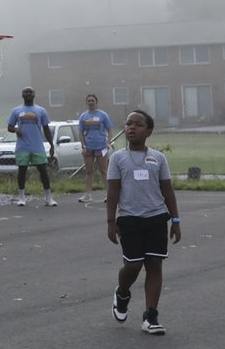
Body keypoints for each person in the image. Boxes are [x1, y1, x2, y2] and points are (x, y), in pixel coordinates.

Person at [106, 109, 181, 335]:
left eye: (138, 125)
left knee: (154, 265)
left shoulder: (158, 158)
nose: (131, 128)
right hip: (129, 220)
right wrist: (111, 221)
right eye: (128, 124)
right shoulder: (118, 158)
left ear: (148, 131)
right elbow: (113, 191)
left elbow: (167, 190)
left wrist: (175, 219)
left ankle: (151, 315)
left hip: (157, 218)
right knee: (133, 265)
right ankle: (122, 292)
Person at [7, 86, 57, 207]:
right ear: (22, 95)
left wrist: (51, 145)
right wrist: (16, 130)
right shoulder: (16, 110)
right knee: (22, 171)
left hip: (37, 146)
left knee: (43, 171)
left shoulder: (40, 110)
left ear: (34, 95)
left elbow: (46, 128)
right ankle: (21, 197)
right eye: (26, 92)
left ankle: (48, 197)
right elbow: (9, 127)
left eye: (30, 92)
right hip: (22, 146)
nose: (28, 94)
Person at [77, 94, 114, 203]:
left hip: (101, 146)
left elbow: (110, 129)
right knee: (89, 171)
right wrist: (83, 145)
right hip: (88, 147)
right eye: (89, 100)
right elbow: (80, 132)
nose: (91, 102)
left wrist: (108, 142)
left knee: (103, 170)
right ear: (86, 103)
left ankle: (109, 194)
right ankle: (88, 194)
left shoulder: (103, 115)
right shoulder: (83, 116)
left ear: (96, 102)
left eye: (92, 100)